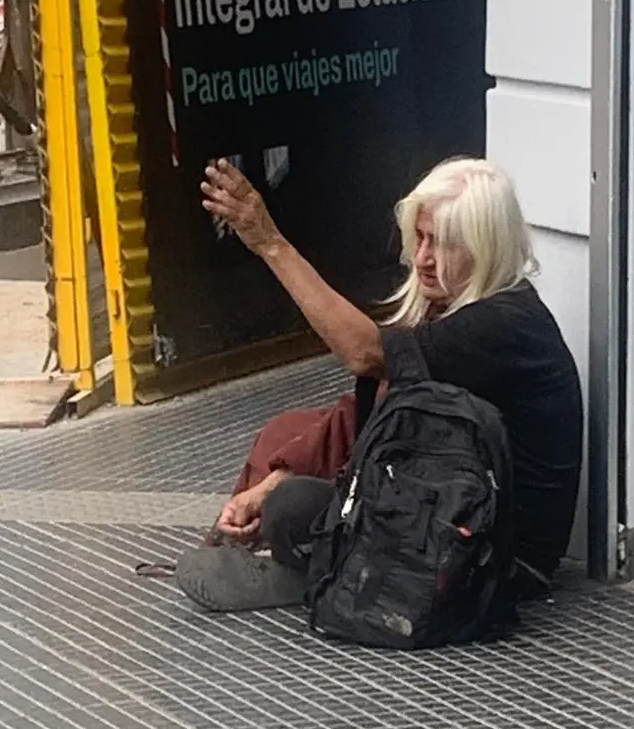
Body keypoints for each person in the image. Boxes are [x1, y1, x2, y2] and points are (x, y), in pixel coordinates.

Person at [176, 156, 583, 612]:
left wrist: (271, 244)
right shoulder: (453, 305)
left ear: (486, 247)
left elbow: (364, 354)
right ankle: (307, 557)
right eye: (421, 238)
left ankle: (317, 569)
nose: (424, 259)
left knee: (294, 506)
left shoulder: (504, 323)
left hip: (499, 561)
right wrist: (274, 479)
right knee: (289, 440)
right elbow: (382, 416)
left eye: (443, 244)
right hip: (450, 510)